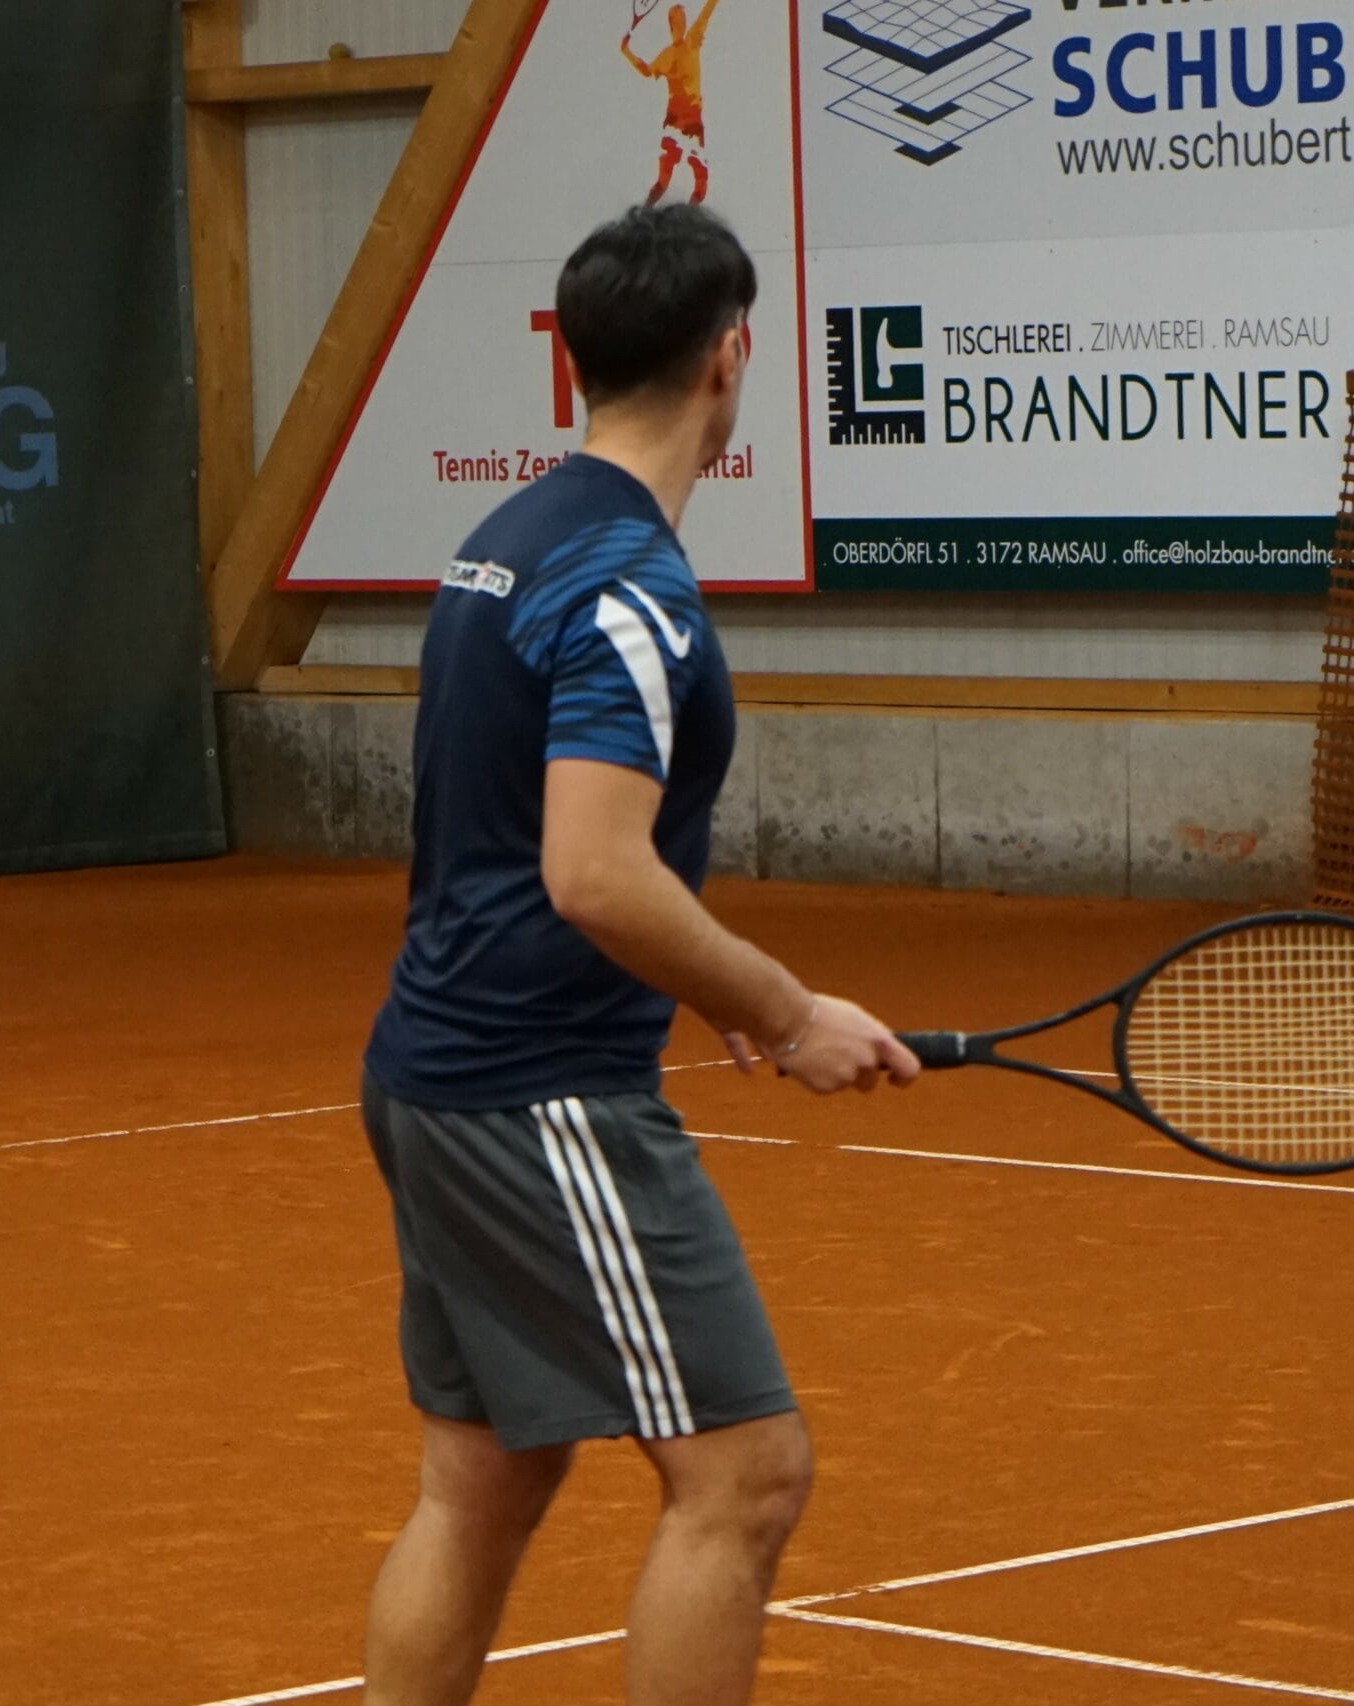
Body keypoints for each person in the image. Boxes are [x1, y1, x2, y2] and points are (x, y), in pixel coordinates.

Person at [355, 204, 918, 1706]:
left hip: (434, 1068)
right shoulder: (628, 586)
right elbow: (592, 870)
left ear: (576, 362)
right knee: (745, 1473)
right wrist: (784, 1010)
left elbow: (518, 845)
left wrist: (696, 981)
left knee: (483, 1475)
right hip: (535, 1092)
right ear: (730, 357)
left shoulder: (507, 543)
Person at [621, 0, 722, 205]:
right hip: (674, 121)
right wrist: (627, 52)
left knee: (700, 181)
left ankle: (688, 219)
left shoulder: (692, 42)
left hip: (692, 121)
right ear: (671, 26)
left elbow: (705, 16)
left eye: (683, 20)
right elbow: (647, 71)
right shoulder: (667, 55)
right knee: (663, 180)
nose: (681, 24)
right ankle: (645, 213)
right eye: (677, 21)